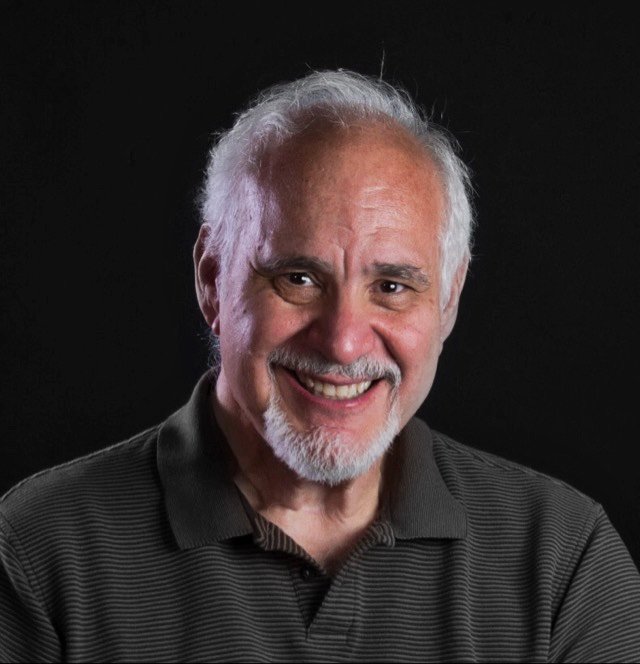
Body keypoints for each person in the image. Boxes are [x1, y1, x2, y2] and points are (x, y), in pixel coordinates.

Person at [1, 70, 639, 663]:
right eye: (298, 279)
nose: (342, 343)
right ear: (212, 279)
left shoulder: (563, 563)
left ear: (448, 300)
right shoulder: (39, 553)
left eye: (392, 287)